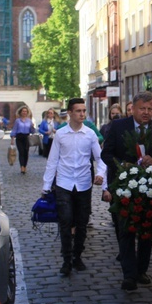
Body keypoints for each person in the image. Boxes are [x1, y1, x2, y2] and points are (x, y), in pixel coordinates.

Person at [101, 91, 152, 291]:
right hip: (124, 186)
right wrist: (122, 165)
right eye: (143, 109)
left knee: (148, 229)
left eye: (150, 109)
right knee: (126, 230)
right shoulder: (118, 126)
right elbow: (107, 153)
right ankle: (129, 275)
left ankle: (141, 270)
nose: (146, 112)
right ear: (133, 108)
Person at [42, 98, 106, 277]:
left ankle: (78, 255)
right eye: (78, 111)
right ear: (69, 113)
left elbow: (100, 158)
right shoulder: (61, 135)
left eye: (84, 111)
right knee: (65, 221)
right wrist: (47, 185)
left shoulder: (90, 134)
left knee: (82, 222)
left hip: (84, 183)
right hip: (64, 182)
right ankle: (66, 260)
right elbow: (53, 160)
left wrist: (101, 174)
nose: (82, 114)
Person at [11, 106, 35, 174]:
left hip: (26, 137)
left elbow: (32, 131)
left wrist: (32, 127)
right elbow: (14, 130)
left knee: (26, 152)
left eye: (25, 111)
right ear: (20, 112)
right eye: (23, 111)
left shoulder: (29, 121)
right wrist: (12, 139)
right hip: (19, 137)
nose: (24, 112)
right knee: (21, 152)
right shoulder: (17, 121)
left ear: (27, 113)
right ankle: (22, 167)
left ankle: (25, 166)